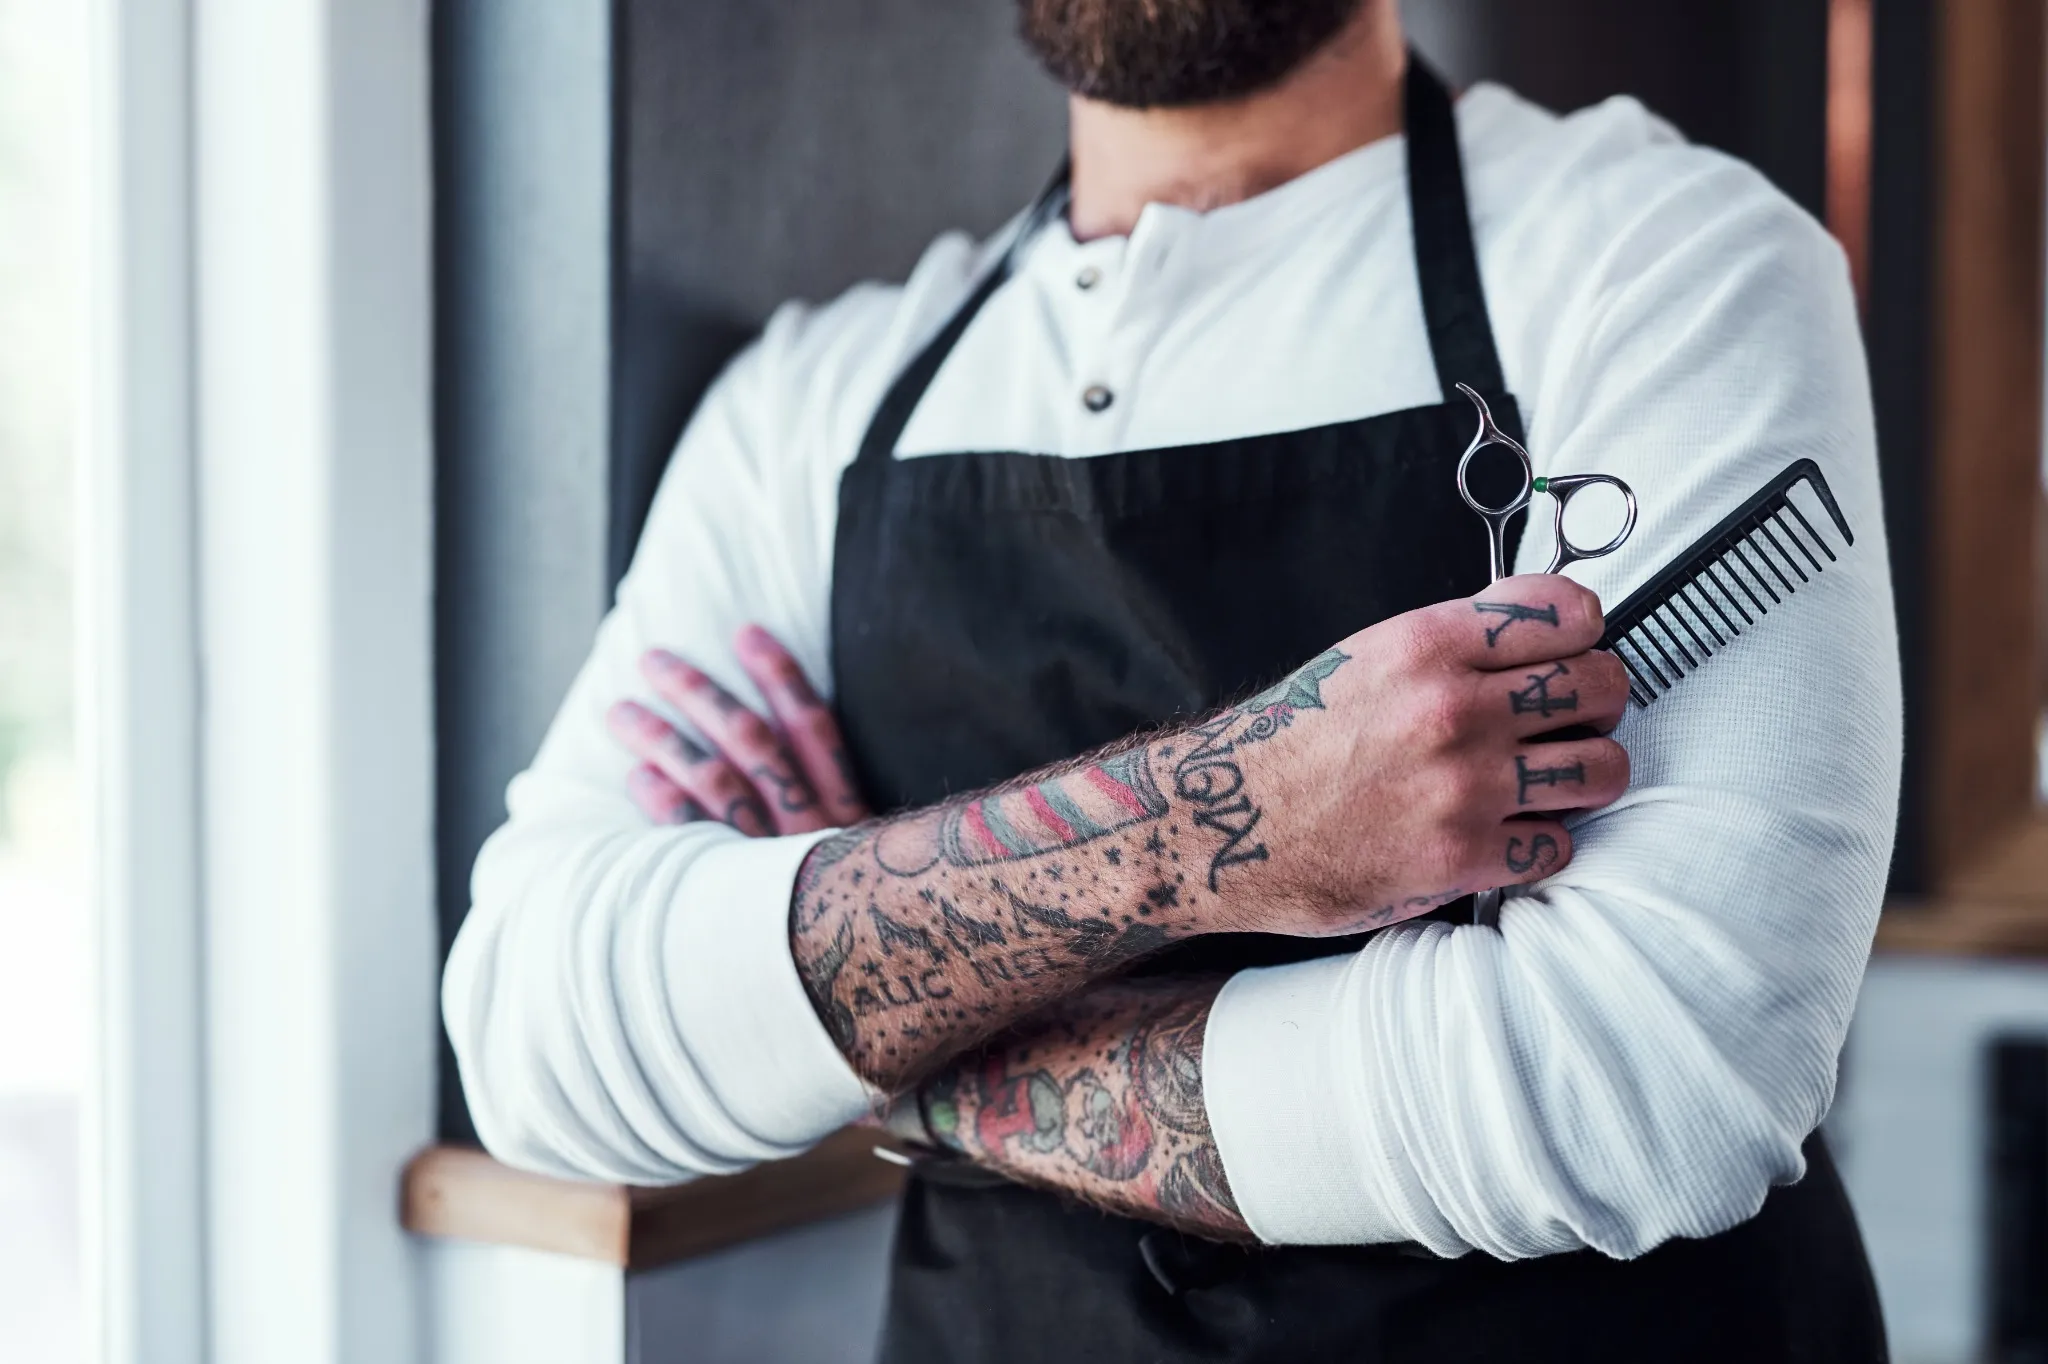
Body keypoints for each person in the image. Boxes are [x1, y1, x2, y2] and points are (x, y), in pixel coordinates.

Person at [442, 1, 1901, 1359]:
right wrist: (1224, 822)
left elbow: (1649, 1084)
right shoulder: (805, 407)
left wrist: (889, 1025)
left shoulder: (1661, 265)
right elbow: (538, 1038)